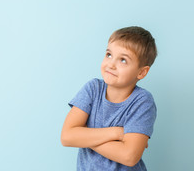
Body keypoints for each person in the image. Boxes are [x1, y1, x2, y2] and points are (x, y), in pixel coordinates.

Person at [61, 26, 158, 171]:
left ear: (142, 72)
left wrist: (84, 136)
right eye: (109, 54)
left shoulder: (143, 101)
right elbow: (67, 137)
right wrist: (116, 133)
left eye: (123, 60)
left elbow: (129, 156)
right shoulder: (93, 89)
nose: (111, 64)